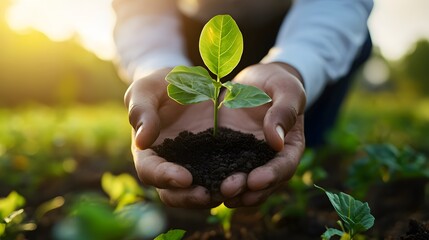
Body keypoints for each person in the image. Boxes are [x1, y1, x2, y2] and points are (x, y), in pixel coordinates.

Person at [112, 0, 373, 208]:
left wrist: (295, 65)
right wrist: (157, 65)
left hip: (299, 27)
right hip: (187, 33)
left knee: (303, 148)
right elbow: (140, 8)